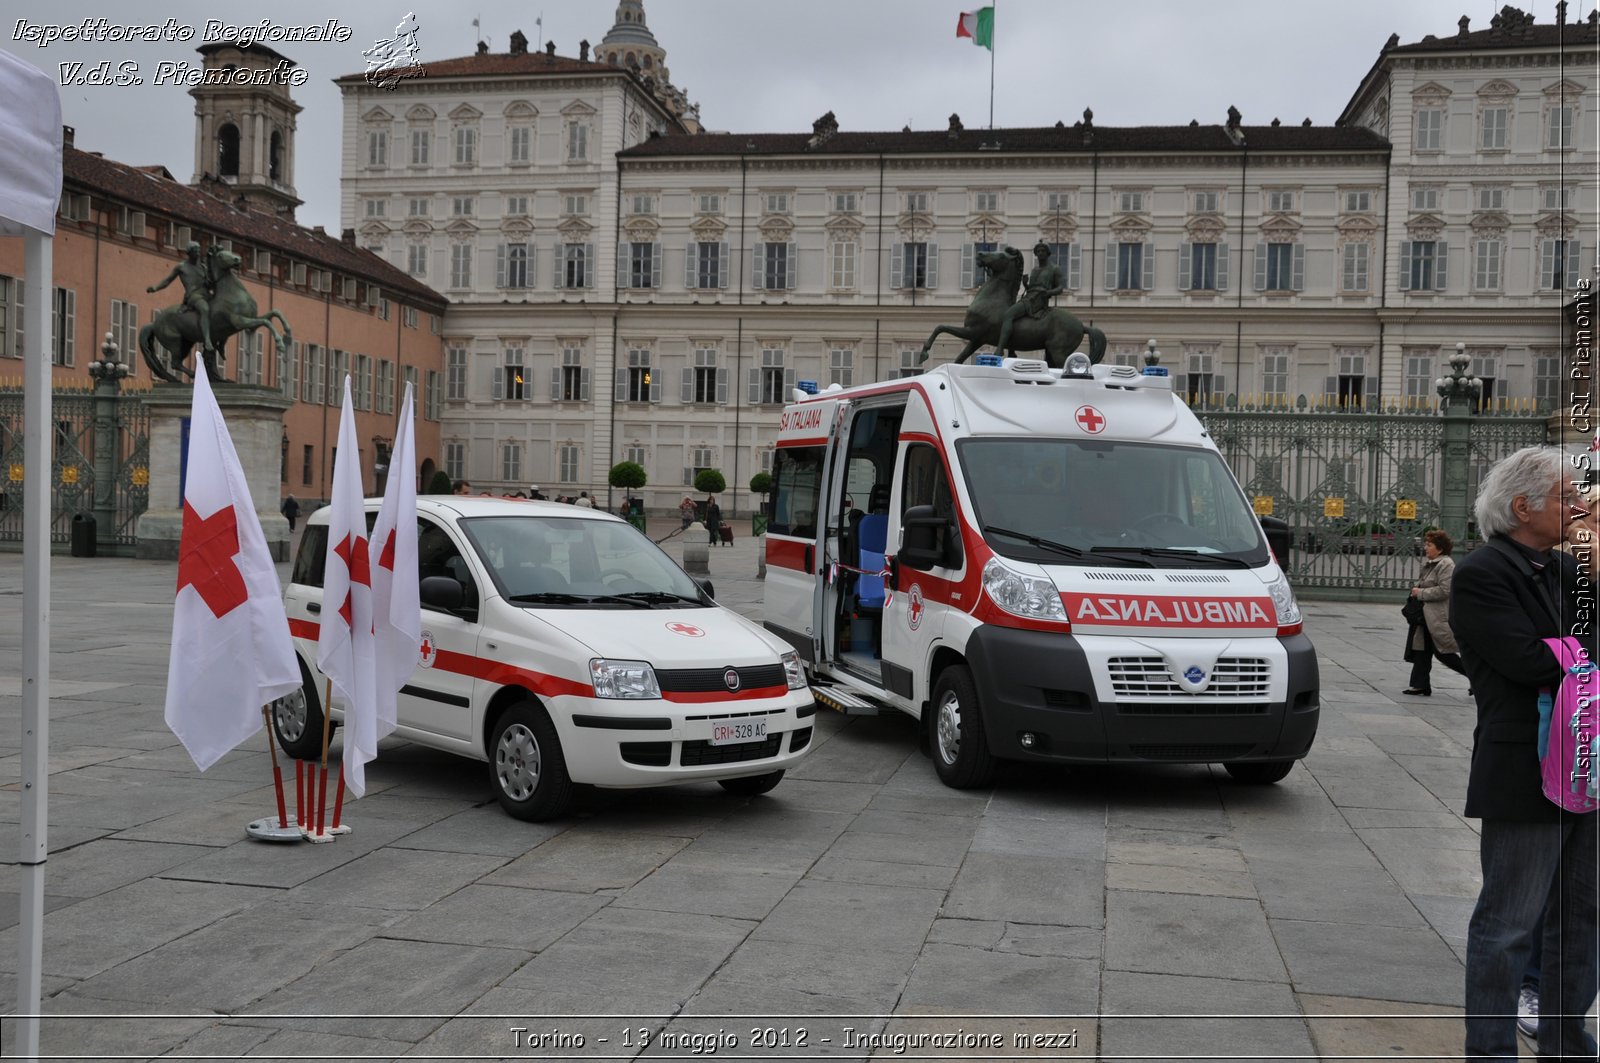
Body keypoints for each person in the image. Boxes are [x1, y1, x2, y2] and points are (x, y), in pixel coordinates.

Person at [1452, 446, 1597, 1061]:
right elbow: (1528, 660)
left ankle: (1564, 1040)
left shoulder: (1566, 570)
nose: (1579, 507)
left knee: (1581, 917)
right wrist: (1576, 654)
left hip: (1585, 763)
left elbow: (1569, 656)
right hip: (1525, 770)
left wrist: (1571, 652)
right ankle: (1489, 1051)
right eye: (1568, 498)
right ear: (1522, 507)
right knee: (1508, 924)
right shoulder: (1484, 572)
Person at [1402, 529, 1466, 695]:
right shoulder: (1431, 564)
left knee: (1444, 653)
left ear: (1440, 548)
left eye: (1429, 545)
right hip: (1425, 616)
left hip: (1437, 617)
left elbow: (1446, 590)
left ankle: (1477, 678)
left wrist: (1420, 593)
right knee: (1422, 650)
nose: (1425, 547)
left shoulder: (1446, 565)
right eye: (1426, 544)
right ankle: (1419, 684)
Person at [995, 241, 1064, 357]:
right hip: (1029, 297)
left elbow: (1060, 288)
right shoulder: (1035, 270)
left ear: (1048, 253)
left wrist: (1048, 292)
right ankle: (1011, 351)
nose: (1040, 253)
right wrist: (1025, 284)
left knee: (1008, 314)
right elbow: (1032, 288)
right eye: (1038, 251)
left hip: (1038, 301)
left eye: (1043, 251)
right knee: (1014, 319)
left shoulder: (1054, 269)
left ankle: (1000, 349)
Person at [147, 241, 216, 355]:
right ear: (190, 253)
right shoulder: (182, 267)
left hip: (206, 294)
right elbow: (167, 280)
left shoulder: (203, 267)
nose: (198, 253)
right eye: (195, 251)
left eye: (199, 251)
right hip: (194, 296)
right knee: (204, 309)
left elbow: (209, 283)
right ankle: (207, 340)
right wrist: (155, 288)